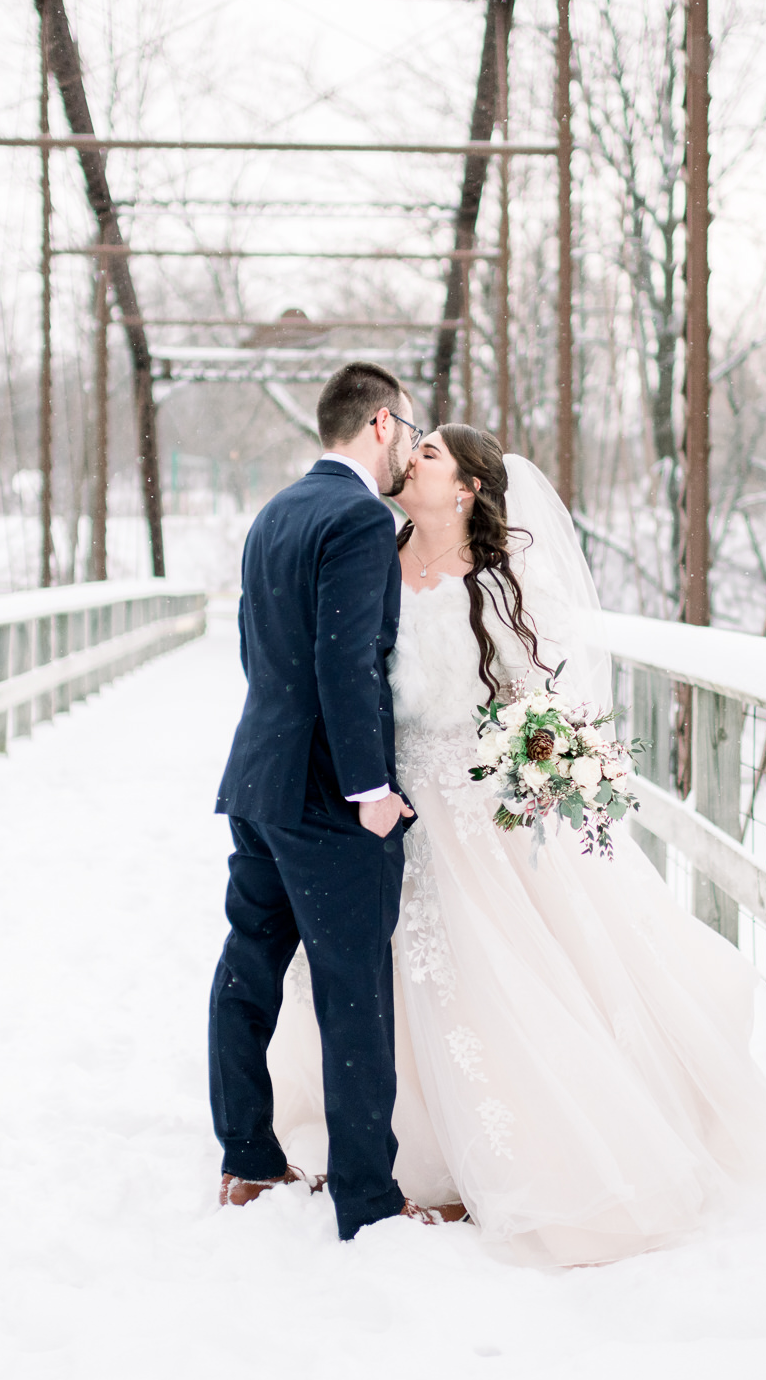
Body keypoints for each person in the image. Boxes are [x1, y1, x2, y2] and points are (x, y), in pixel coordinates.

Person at [267, 424, 766, 1266]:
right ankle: (386, 1147)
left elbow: (541, 692)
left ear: (469, 488)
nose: (413, 460)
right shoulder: (374, 552)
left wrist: (542, 756)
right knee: (388, 973)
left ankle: (527, 1156)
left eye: (433, 455)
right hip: (391, 802)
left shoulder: (508, 577)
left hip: (479, 808)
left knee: (506, 968)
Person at [208, 361, 456, 1240]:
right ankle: (368, 1197)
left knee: (250, 969)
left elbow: (257, 648)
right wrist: (371, 790)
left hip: (259, 778)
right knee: (355, 989)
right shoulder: (358, 518)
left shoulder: (276, 512)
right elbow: (347, 665)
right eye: (410, 431)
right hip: (326, 797)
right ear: (382, 423)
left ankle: (246, 1156)